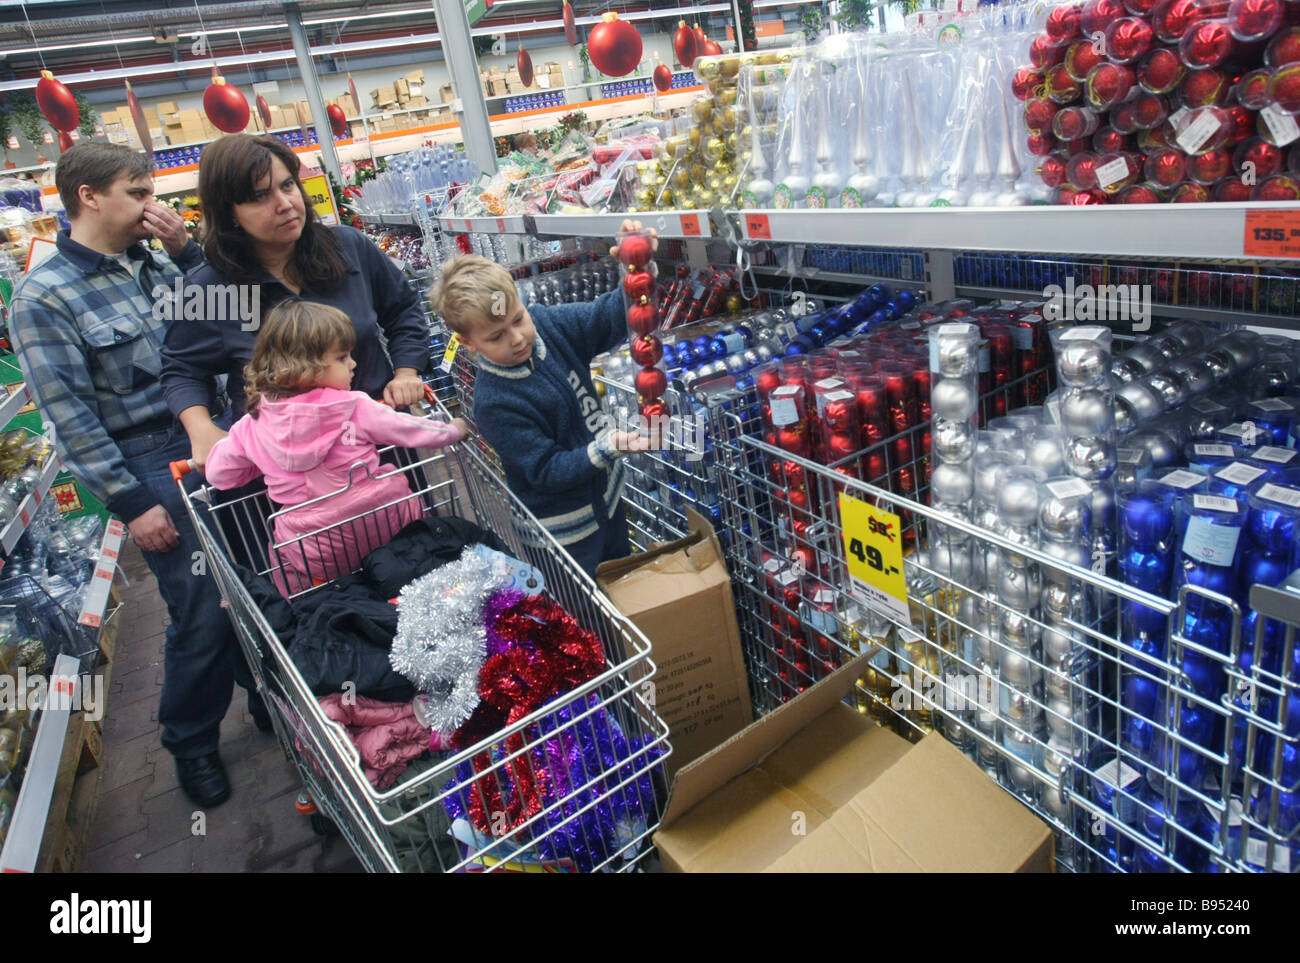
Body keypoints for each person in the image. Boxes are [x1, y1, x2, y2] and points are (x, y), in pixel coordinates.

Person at [8, 141, 258, 809]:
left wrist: (188, 253)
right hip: (146, 459)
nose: (154, 204)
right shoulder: (44, 296)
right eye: (139, 192)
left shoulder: (150, 262)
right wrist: (131, 501)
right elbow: (70, 415)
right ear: (90, 197)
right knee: (200, 603)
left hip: (209, 430)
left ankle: (263, 686)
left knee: (253, 573)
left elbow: (229, 319)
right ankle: (191, 740)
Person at [161, 134, 432, 473]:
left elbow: (403, 310)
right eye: (260, 196)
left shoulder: (348, 248)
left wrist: (406, 372)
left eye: (287, 185)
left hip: (377, 448)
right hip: (285, 476)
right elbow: (181, 369)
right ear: (230, 213)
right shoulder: (211, 286)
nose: (284, 203)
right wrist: (201, 430)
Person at [428, 223, 654, 577]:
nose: (518, 338)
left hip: (607, 505)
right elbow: (546, 470)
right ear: (469, 343)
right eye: (496, 336)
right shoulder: (494, 403)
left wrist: (635, 273)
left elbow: (604, 319)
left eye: (519, 319)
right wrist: (605, 448)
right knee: (588, 619)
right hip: (563, 537)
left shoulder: (549, 327)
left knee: (625, 586)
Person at [205, 300, 470, 597]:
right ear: (308, 367)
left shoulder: (252, 424)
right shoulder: (353, 406)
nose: (353, 364)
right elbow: (408, 429)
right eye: (342, 357)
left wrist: (260, 459)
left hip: (316, 549)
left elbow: (219, 475)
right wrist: (451, 430)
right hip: (389, 521)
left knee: (286, 559)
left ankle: (313, 608)